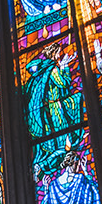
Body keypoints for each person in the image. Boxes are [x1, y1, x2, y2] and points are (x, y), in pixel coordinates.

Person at [24, 41, 81, 174]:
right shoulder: (52, 68)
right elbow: (63, 83)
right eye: (58, 53)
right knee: (61, 127)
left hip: (48, 106)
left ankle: (59, 153)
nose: (59, 55)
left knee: (55, 130)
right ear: (54, 54)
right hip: (55, 105)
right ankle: (61, 152)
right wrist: (65, 67)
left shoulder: (43, 69)